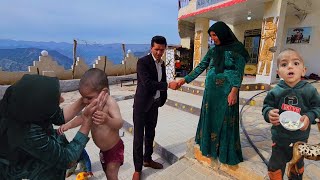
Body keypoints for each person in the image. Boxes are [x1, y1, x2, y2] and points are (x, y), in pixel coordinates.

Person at [0, 74, 102, 179]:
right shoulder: (25, 130)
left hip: (18, 152)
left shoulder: (25, 106)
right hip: (9, 165)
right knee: (53, 167)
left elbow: (59, 117)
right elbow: (67, 160)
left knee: (58, 141)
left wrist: (83, 100)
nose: (62, 100)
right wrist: (87, 122)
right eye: (56, 98)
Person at [176, 21, 250, 165]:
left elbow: (239, 72)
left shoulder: (237, 49)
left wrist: (234, 91)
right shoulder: (213, 50)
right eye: (211, 36)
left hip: (227, 91)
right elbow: (201, 67)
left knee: (226, 120)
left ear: (223, 33)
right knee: (210, 117)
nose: (213, 38)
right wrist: (183, 80)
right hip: (211, 91)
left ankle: (224, 153)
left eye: (215, 35)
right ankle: (209, 147)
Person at [262, 48, 320, 179]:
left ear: (303, 70)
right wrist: (269, 113)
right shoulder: (275, 91)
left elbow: (318, 107)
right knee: (274, 166)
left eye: (295, 63)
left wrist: (310, 116)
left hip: (300, 140)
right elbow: (266, 107)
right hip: (279, 138)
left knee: (296, 167)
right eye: (284, 64)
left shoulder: (309, 90)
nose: (290, 67)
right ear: (278, 73)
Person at [59, 68, 124, 180]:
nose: (84, 101)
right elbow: (83, 117)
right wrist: (68, 125)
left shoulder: (110, 103)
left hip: (114, 148)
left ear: (104, 92)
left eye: (88, 97)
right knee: (108, 173)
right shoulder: (92, 104)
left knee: (111, 174)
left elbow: (119, 123)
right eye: (82, 97)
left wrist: (107, 120)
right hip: (104, 150)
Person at [132, 35, 177, 180]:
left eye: (162, 50)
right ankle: (137, 169)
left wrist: (162, 99)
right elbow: (148, 84)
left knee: (150, 134)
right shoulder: (143, 62)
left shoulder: (162, 64)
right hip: (141, 106)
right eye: (157, 49)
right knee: (139, 138)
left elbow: (161, 80)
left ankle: (147, 159)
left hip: (154, 105)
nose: (159, 52)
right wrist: (168, 85)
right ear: (151, 47)